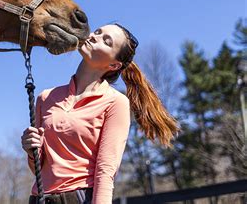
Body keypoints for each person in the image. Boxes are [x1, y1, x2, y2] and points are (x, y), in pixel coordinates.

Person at [21, 23, 179, 204]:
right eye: (97, 32)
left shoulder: (115, 103)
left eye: (106, 41)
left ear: (114, 64)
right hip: (39, 199)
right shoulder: (45, 97)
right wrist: (31, 150)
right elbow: (39, 169)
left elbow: (105, 171)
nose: (95, 36)